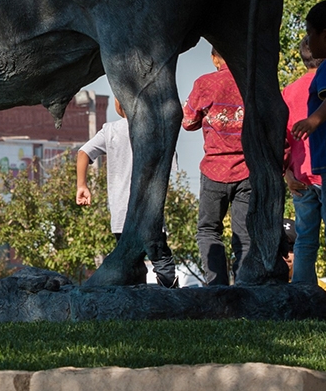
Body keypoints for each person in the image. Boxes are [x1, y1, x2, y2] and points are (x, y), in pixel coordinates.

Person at [76, 99, 178, 287]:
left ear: (119, 104)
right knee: (161, 259)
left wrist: (82, 185)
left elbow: (83, 152)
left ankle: (133, 300)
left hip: (122, 213)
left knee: (130, 263)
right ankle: (172, 297)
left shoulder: (111, 130)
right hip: (150, 212)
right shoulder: (157, 129)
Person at [182, 46, 249, 286]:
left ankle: (217, 287)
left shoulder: (205, 83)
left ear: (214, 57)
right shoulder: (251, 82)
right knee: (244, 234)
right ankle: (245, 286)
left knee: (209, 230)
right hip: (247, 169)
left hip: (214, 170)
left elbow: (188, 122)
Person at [284, 37, 325, 285]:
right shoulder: (323, 83)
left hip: (300, 177)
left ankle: (302, 294)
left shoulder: (288, 92)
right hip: (324, 171)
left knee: (305, 240)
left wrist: (287, 174)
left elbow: (283, 140)